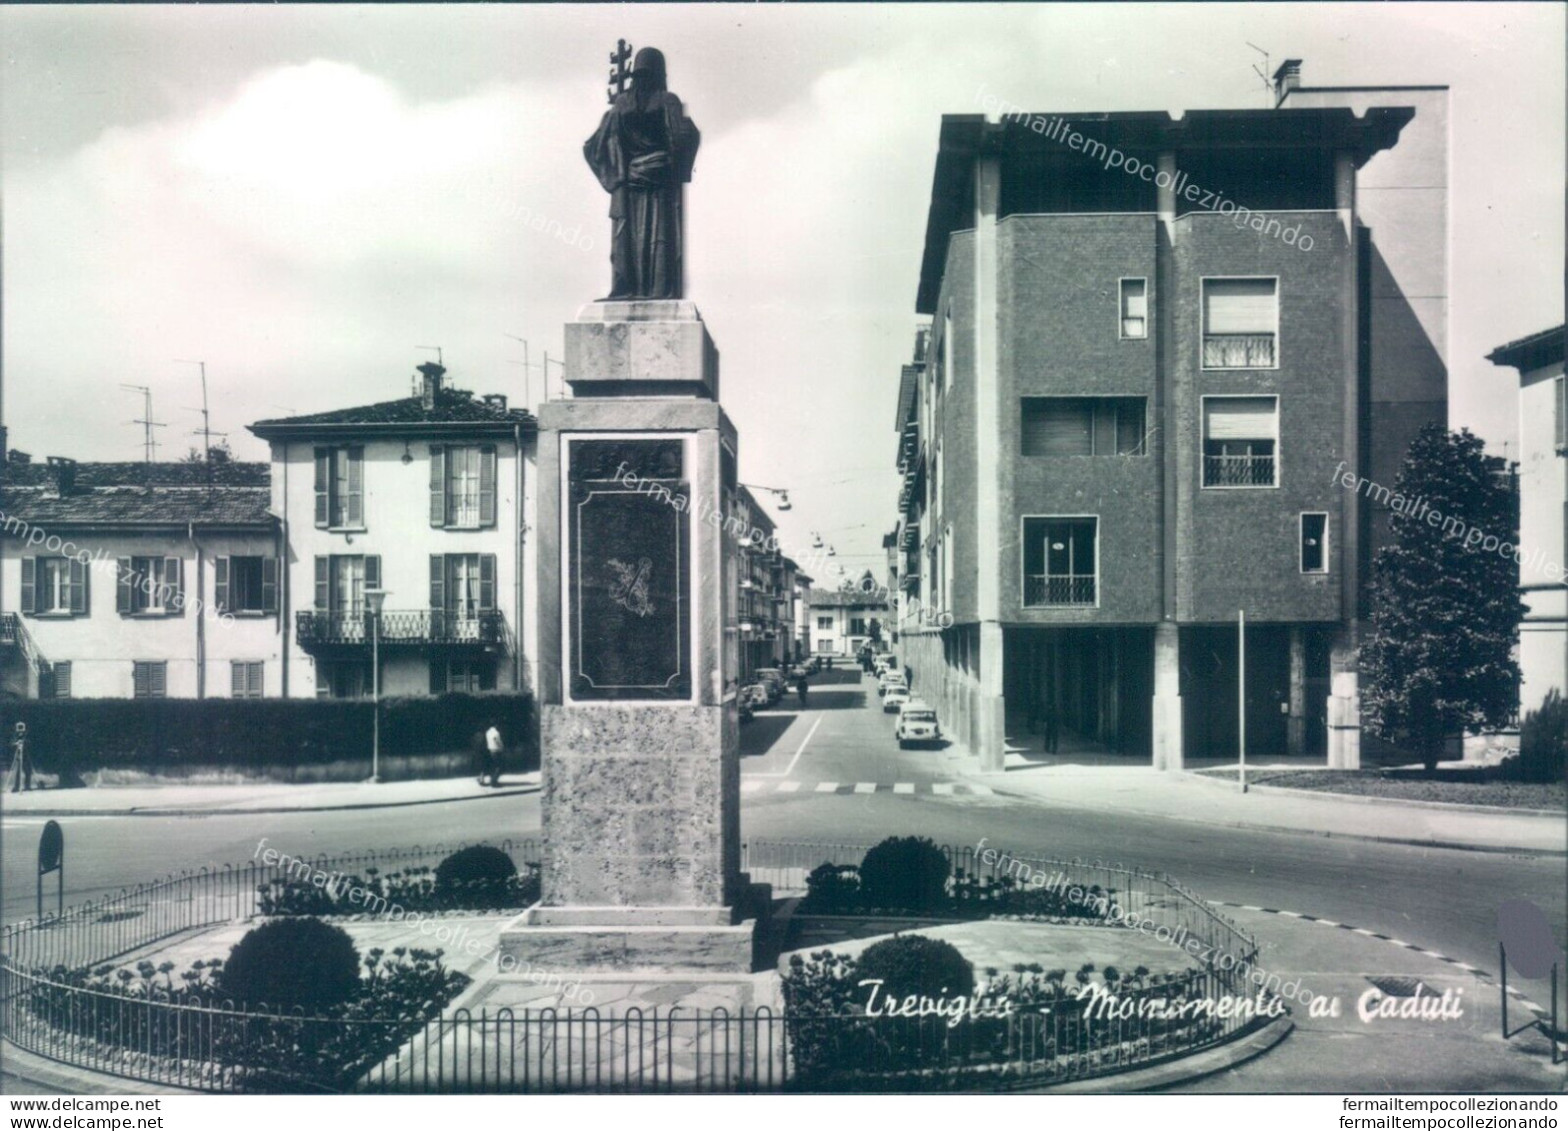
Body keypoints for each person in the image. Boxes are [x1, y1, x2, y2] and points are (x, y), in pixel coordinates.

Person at [7, 721, 31, 793]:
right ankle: (17, 787)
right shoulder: (15, 736)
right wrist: (16, 744)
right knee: (18, 773)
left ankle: (27, 786)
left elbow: (30, 743)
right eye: (19, 727)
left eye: (21, 727)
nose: (20, 730)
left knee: (27, 771)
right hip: (18, 756)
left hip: (26, 756)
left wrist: (24, 742)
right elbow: (11, 744)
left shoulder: (26, 735)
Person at [482, 723, 504, 788]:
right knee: (499, 767)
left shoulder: (487, 732)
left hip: (490, 750)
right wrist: (502, 746)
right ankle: (493, 781)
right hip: (497, 750)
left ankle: (493, 780)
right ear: (496, 725)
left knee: (494, 766)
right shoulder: (496, 733)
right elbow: (497, 740)